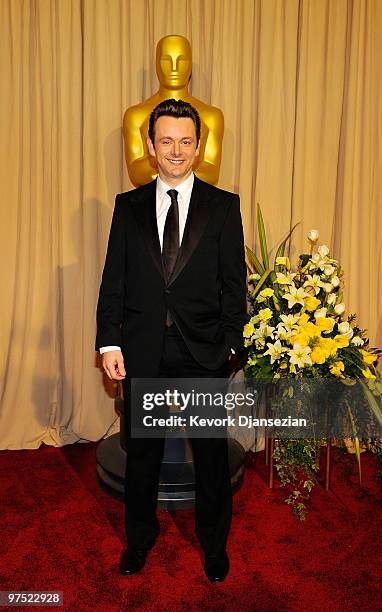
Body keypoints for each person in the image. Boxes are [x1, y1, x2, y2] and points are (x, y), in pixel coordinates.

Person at [96, 98, 247, 581]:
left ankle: (214, 544)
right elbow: (113, 281)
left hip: (202, 354)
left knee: (209, 457)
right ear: (150, 144)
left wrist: (229, 347)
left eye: (185, 142)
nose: (176, 151)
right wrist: (109, 343)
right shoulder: (127, 207)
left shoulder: (224, 207)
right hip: (143, 352)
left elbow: (234, 287)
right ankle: (139, 540)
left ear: (199, 146)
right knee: (142, 456)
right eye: (166, 141)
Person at [123, 34, 224, 186]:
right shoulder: (135, 115)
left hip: (199, 205)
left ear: (189, 65)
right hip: (149, 204)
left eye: (181, 60)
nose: (174, 67)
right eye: (166, 60)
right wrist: (181, 166)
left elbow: (211, 173)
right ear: (157, 64)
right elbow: (136, 174)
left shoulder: (211, 116)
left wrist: (163, 166)